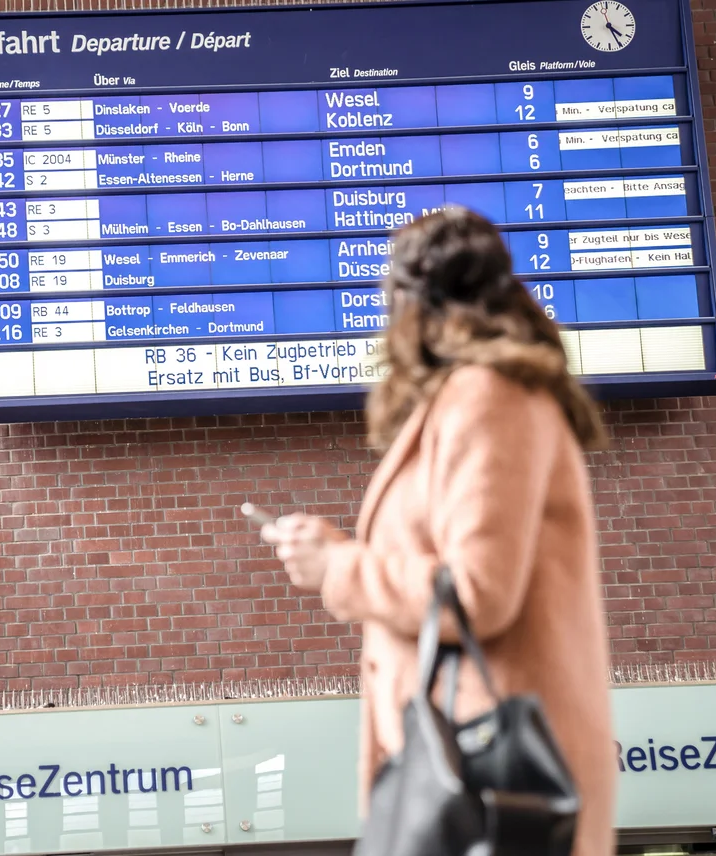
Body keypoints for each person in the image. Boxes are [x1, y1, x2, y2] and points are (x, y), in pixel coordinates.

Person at [261, 207, 616, 856]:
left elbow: (478, 593)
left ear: (409, 303)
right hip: (478, 789)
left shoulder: (488, 396)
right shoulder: (484, 394)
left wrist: (339, 566)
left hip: (491, 795)